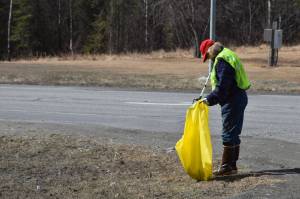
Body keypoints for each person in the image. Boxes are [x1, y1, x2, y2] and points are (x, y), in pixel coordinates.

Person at [199, 39, 251, 176]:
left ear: (210, 49)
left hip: (232, 100)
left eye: (207, 55)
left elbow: (223, 87)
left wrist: (209, 100)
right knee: (233, 132)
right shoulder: (227, 54)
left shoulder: (222, 60)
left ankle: (227, 166)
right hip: (238, 97)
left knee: (228, 133)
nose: (208, 59)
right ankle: (232, 166)